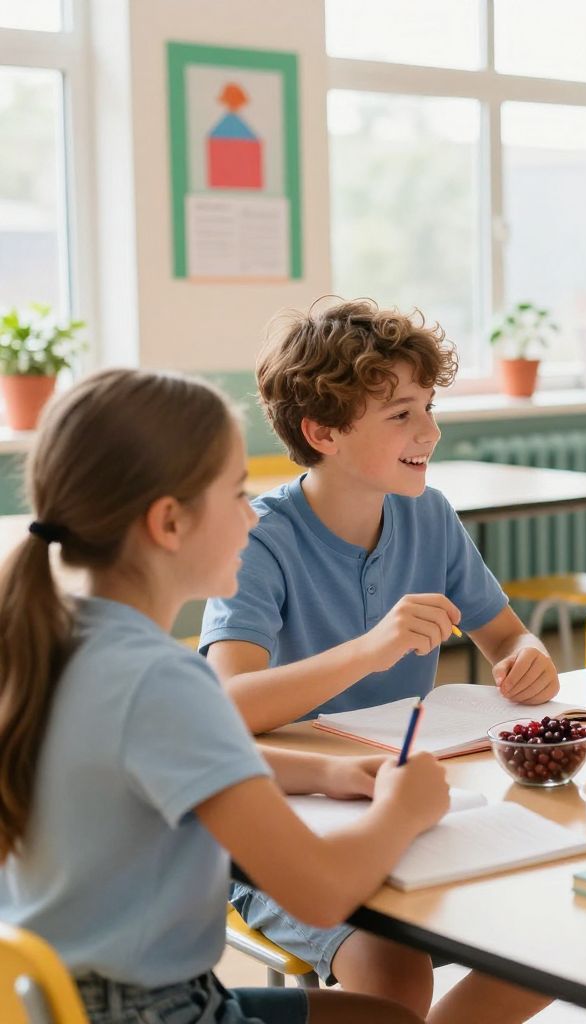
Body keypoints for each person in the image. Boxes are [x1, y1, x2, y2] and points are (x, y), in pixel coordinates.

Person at [0, 369, 447, 1024]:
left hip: (58, 1000)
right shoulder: (162, 679)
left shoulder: (55, 643)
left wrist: (325, 770)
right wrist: (403, 811)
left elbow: (152, 760)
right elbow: (321, 893)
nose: (251, 514)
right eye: (237, 493)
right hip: (152, 1012)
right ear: (169, 522)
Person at [202, 299, 553, 1021]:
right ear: (322, 431)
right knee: (397, 980)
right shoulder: (263, 541)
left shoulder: (429, 516)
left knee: (555, 943)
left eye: (428, 405)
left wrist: (528, 657)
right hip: (284, 826)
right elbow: (224, 707)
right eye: (400, 414)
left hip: (413, 804)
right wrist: (371, 649)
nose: (430, 429)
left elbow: (509, 637)